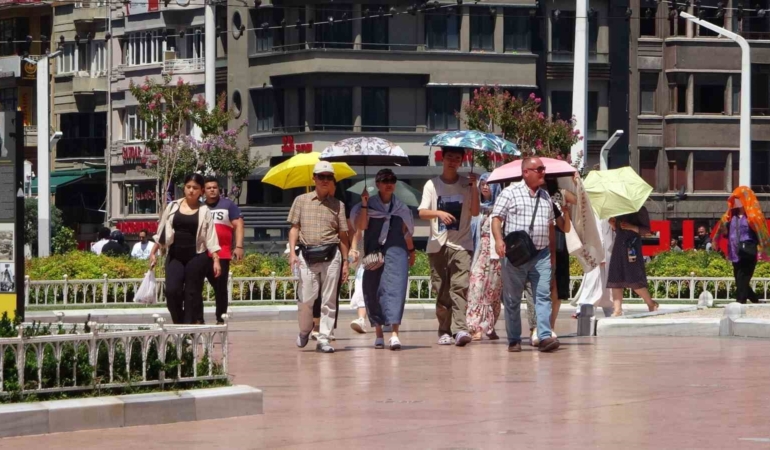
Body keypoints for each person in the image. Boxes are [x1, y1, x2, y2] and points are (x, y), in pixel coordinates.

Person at [491, 157, 560, 353]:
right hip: (516, 256)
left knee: (543, 296)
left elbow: (550, 226)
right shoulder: (510, 192)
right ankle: (514, 339)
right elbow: (496, 219)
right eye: (539, 169)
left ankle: (544, 336)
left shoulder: (546, 197)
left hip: (541, 254)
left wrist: (552, 253)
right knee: (512, 299)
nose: (543, 172)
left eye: (544, 169)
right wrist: (498, 240)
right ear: (526, 172)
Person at [418, 146, 479, 347]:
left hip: (462, 244)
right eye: (449, 157)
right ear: (442, 159)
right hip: (438, 245)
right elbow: (422, 212)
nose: (453, 161)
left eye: (457, 158)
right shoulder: (432, 185)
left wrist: (475, 188)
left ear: (462, 161)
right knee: (442, 290)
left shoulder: (467, 184)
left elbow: (475, 212)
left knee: (460, 287)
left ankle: (460, 329)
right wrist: (439, 213)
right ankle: (444, 330)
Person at [288, 162, 350, 354]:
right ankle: (305, 329)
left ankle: (324, 338)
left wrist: (346, 262)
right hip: (307, 254)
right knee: (307, 298)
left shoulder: (338, 205)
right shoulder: (301, 200)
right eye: (321, 176)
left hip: (332, 255)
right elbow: (294, 228)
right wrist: (292, 253)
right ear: (314, 178)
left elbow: (343, 235)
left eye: (328, 177)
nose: (325, 180)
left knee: (329, 300)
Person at [351, 169, 416, 350]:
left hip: (397, 251)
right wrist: (365, 204)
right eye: (385, 180)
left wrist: (411, 251)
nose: (389, 184)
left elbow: (406, 232)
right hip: (374, 252)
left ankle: (394, 334)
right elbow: (361, 226)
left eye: (392, 180)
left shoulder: (401, 207)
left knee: (397, 289)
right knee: (373, 289)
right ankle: (378, 333)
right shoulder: (368, 205)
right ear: (377, 184)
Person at [149, 173, 222, 324]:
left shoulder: (204, 210)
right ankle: (179, 323)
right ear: (184, 188)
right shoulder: (172, 206)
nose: (191, 190)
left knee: (192, 294)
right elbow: (162, 232)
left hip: (197, 256)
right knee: (171, 291)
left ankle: (188, 328)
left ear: (201, 191)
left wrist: (216, 259)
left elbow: (211, 236)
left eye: (195, 188)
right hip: (175, 255)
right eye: (188, 187)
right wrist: (153, 252)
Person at [712, 187, 770, 304]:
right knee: (739, 279)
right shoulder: (730, 217)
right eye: (734, 199)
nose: (735, 201)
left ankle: (740, 302)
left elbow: (762, 235)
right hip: (735, 253)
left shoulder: (754, 217)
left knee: (743, 277)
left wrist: (762, 250)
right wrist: (715, 240)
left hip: (748, 252)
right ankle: (755, 300)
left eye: (738, 198)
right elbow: (721, 230)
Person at [203, 176, 245, 325]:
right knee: (194, 287)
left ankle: (221, 319)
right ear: (203, 191)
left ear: (219, 189)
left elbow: (239, 225)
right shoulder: (200, 207)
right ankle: (197, 319)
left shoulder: (228, 205)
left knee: (220, 287)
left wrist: (238, 246)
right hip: (202, 253)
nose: (212, 190)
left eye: (214, 187)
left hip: (222, 253)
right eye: (209, 188)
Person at [466, 172, 502, 341]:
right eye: (483, 184)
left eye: (488, 184)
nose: (485, 187)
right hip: (479, 252)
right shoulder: (477, 208)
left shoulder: (501, 209)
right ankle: (475, 327)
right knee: (476, 288)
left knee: (493, 291)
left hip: (496, 254)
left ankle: (489, 326)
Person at [607, 206, 659, 316]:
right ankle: (617, 310)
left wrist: (632, 227)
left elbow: (647, 230)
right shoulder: (618, 209)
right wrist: (613, 225)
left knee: (634, 279)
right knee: (615, 279)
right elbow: (618, 230)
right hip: (619, 246)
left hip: (632, 246)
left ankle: (651, 303)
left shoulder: (640, 209)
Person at [348, 225, 368, 334]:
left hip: (378, 263)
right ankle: (361, 320)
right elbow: (351, 260)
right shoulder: (355, 237)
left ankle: (386, 321)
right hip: (362, 267)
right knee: (360, 292)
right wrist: (352, 256)